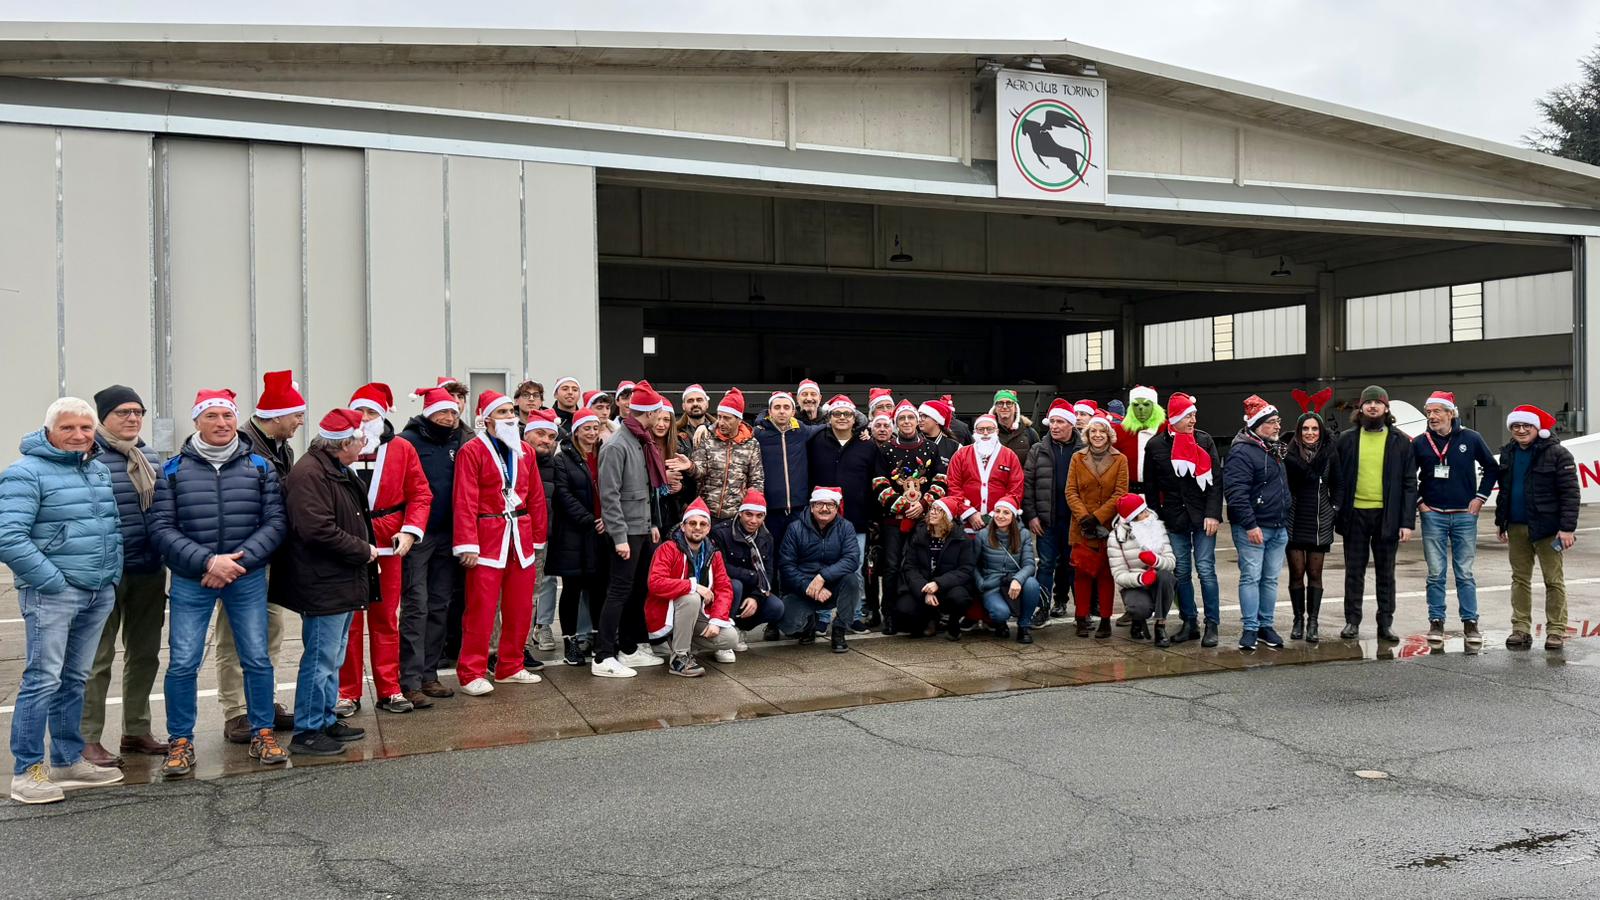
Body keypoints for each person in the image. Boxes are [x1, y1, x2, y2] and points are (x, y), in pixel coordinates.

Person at [149, 388, 288, 775]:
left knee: (257, 658)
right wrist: (209, 561)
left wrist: (236, 563)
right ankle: (180, 740)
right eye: (211, 416)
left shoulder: (259, 467)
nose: (222, 424)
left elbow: (275, 523)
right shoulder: (173, 470)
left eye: (227, 416)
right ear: (196, 422)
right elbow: (161, 528)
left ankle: (262, 731)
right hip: (194, 579)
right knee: (183, 662)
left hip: (245, 576)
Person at [1, 397, 126, 804]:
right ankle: (26, 771)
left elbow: (108, 528)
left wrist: (109, 579)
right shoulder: (25, 473)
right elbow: (9, 537)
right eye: (68, 428)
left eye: (85, 428)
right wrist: (52, 581)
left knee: (75, 678)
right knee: (43, 680)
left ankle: (69, 760)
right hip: (54, 593)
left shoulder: (97, 470)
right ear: (49, 430)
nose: (78, 436)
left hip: (98, 590)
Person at [275, 409, 379, 756]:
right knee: (320, 657)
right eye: (360, 439)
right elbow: (315, 529)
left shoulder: (332, 468)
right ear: (343, 444)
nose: (364, 443)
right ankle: (307, 730)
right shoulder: (311, 474)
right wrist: (362, 550)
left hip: (339, 579)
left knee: (332, 656)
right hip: (323, 581)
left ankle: (324, 718)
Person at [80, 386, 167, 768]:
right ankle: (87, 739)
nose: (132, 418)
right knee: (96, 660)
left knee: (145, 654)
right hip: (103, 575)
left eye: (138, 412)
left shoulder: (147, 456)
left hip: (147, 570)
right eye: (123, 412)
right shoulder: (86, 454)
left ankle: (136, 729)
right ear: (104, 417)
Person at [340, 383, 432, 717]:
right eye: (359, 411)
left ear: (382, 416)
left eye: (371, 413)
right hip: (348, 543)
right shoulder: (336, 448)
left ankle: (389, 688)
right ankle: (347, 692)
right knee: (348, 621)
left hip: (389, 541)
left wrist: (410, 531)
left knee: (385, 619)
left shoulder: (402, 449)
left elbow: (421, 493)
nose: (364, 419)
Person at [221, 369, 302, 743]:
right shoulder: (241, 447)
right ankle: (236, 711)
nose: (301, 422)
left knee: (271, 633)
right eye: (296, 415)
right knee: (235, 636)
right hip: (241, 556)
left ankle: (261, 702)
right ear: (277, 416)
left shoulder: (279, 447)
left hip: (271, 555)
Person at [451, 390, 549, 696]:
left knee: (520, 606)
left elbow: (535, 496)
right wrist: (466, 543)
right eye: (503, 411)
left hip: (520, 535)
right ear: (487, 418)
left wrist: (538, 538)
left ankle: (510, 665)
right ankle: (471, 671)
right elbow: (464, 500)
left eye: (510, 411)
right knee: (481, 609)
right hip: (487, 535)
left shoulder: (525, 451)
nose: (509, 416)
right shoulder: (472, 451)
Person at [595, 383, 673, 677]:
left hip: (640, 528)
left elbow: (646, 489)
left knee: (637, 589)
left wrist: (651, 523)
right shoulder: (618, 445)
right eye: (658, 412)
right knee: (618, 591)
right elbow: (610, 495)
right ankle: (603, 655)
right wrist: (619, 537)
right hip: (625, 532)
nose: (661, 417)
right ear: (649, 413)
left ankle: (628, 648)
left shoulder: (640, 440)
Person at [395, 387, 467, 705]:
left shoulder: (458, 441)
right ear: (428, 413)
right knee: (416, 606)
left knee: (440, 605)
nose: (449, 418)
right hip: (418, 536)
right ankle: (409, 680)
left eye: (453, 412)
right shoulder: (408, 441)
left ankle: (429, 674)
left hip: (448, 535)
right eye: (442, 412)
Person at [1331, 385, 1417, 643]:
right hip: (1354, 515)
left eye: (1377, 403)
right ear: (1360, 408)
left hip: (1386, 517)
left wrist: (1406, 522)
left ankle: (1386, 624)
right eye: (1367, 403)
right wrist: (1337, 510)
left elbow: (1409, 483)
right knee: (1353, 571)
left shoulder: (1400, 441)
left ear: (1386, 408)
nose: (1372, 407)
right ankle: (1352, 621)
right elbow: (1336, 478)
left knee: (1386, 573)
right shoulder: (1346, 440)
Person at [1413, 390, 1499, 646]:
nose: (1432, 416)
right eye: (1429, 412)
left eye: (1437, 411)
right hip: (1433, 516)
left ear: (1451, 413)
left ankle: (1470, 623)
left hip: (1464, 515)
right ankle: (1436, 622)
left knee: (1464, 572)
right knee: (1436, 573)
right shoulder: (1420, 442)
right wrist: (1420, 503)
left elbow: (1492, 468)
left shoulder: (1471, 438)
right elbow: (1406, 475)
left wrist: (1480, 497)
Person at [1140, 392, 1222, 647]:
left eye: (1194, 415)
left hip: (1202, 517)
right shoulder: (1155, 446)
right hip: (1174, 518)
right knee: (1182, 572)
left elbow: (1216, 482)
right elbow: (1151, 488)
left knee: (1206, 571)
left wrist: (1213, 514)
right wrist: (1157, 519)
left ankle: (1212, 623)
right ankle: (1190, 622)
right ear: (1174, 418)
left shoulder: (1204, 440)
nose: (1192, 420)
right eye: (1188, 416)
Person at [1495, 405, 1579, 651]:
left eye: (1526, 426)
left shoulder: (1557, 454)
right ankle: (1520, 628)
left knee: (1553, 580)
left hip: (1548, 529)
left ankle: (1555, 630)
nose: (1521, 431)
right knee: (1519, 579)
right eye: (1516, 427)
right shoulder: (1508, 453)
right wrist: (1502, 522)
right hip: (1517, 526)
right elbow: (1505, 491)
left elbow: (1570, 493)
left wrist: (1567, 529)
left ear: (1537, 428)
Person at [873, 401, 949, 634]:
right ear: (896, 423)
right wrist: (905, 506)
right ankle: (891, 615)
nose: (906, 422)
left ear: (917, 421)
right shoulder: (885, 450)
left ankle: (929, 615)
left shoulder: (930, 448)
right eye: (902, 419)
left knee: (924, 566)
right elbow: (879, 482)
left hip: (924, 519)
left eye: (910, 418)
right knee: (892, 567)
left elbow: (940, 480)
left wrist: (923, 504)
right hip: (893, 519)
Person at [1223, 396, 1292, 653]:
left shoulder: (1273, 450)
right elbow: (1236, 492)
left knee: (1270, 579)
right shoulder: (1242, 452)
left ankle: (1266, 625)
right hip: (1254, 528)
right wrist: (1251, 525)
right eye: (1272, 422)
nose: (1277, 427)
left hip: (1278, 526)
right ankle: (1250, 628)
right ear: (1257, 425)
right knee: (1251, 577)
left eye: (1278, 421)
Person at [644, 498, 741, 675]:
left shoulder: (713, 553)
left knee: (730, 638)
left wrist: (717, 621)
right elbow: (655, 583)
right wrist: (693, 586)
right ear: (683, 526)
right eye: (692, 523)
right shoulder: (668, 548)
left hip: (697, 614)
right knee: (691, 596)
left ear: (708, 528)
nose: (697, 527)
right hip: (667, 611)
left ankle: (681, 641)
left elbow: (724, 589)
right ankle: (679, 658)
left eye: (703, 524)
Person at [808, 394, 880, 630]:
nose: (841, 418)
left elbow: (875, 481)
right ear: (829, 417)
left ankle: (854, 614)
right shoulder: (817, 440)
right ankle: (823, 615)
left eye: (846, 414)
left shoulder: (867, 445)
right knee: (822, 566)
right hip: (822, 519)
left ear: (854, 418)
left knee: (855, 567)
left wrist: (872, 515)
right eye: (837, 414)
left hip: (857, 518)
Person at [549, 407, 607, 666]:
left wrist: (607, 518)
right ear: (576, 431)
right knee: (572, 589)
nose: (592, 433)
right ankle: (570, 641)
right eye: (587, 428)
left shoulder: (604, 453)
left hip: (600, 531)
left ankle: (595, 637)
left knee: (597, 588)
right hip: (573, 533)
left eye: (595, 428)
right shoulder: (563, 458)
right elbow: (562, 495)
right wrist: (589, 519)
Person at [774, 487, 864, 652]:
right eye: (820, 504)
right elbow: (786, 566)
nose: (825, 509)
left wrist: (823, 577)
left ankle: (839, 630)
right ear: (811, 506)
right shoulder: (795, 528)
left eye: (830, 505)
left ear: (837, 508)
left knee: (851, 580)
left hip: (832, 586)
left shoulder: (846, 527)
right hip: (802, 588)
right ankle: (809, 624)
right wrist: (808, 586)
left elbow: (852, 559)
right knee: (788, 626)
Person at [1067, 414, 1128, 639]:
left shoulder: (1120, 459)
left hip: (1106, 526)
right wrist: (1084, 517)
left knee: (1105, 575)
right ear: (1087, 434)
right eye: (1093, 431)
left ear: (1109, 434)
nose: (1097, 435)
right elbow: (1070, 491)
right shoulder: (1077, 458)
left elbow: (1121, 492)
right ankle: (1081, 617)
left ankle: (1105, 620)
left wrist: (1098, 517)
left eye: (1102, 431)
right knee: (1082, 574)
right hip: (1081, 526)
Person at [1283, 390, 1336, 644]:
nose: (1310, 433)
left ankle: (1313, 622)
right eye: (1305, 428)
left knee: (1315, 574)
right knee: (1296, 573)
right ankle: (1298, 620)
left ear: (1321, 431)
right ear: (1299, 430)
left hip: (1319, 520)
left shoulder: (1329, 453)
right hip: (1294, 517)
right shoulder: (1288, 454)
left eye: (1314, 428)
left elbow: (1340, 483)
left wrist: (1334, 508)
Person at [1023, 399, 1078, 623]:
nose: (1054, 426)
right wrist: (1032, 515)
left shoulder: (1082, 449)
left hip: (1075, 521)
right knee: (1045, 565)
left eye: (1060, 422)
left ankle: (1080, 611)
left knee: (1074, 565)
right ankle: (1042, 608)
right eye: (1052, 421)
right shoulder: (1038, 450)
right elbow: (1027, 485)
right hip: (1047, 521)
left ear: (1071, 425)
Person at [898, 498, 977, 641]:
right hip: (924, 586)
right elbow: (910, 567)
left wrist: (938, 584)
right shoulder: (919, 535)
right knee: (904, 613)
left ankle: (953, 623)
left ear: (947, 516)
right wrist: (925, 590)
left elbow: (966, 570)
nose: (932, 513)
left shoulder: (961, 538)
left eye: (938, 510)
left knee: (960, 599)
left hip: (948, 587)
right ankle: (930, 618)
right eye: (932, 509)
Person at [711, 489, 785, 640]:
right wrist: (752, 576)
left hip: (751, 590)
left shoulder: (766, 538)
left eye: (759, 516)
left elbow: (768, 573)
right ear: (740, 513)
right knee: (735, 585)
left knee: (777, 607)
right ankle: (725, 631)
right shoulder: (721, 532)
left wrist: (756, 597)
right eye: (748, 514)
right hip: (725, 588)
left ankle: (740, 628)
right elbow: (720, 567)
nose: (753, 520)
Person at [1106, 493, 1177, 647]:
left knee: (1167, 578)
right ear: (1131, 518)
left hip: (1158, 578)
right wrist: (1141, 579)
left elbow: (1171, 562)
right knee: (1139, 608)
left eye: (1146, 510)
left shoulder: (1157, 527)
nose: (1147, 515)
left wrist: (1156, 560)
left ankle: (1160, 626)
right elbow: (1118, 575)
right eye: (1142, 513)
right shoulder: (1116, 537)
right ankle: (1137, 620)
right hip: (1135, 583)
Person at [756, 390, 825, 546]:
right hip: (770, 509)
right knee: (771, 552)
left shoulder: (801, 430)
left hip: (798, 508)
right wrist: (705, 427)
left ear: (793, 411)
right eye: (777, 407)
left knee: (797, 552)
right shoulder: (759, 433)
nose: (782, 411)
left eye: (786, 407)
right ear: (770, 411)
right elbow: (731, 427)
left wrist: (862, 430)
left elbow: (830, 426)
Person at [691, 388, 764, 522]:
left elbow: (756, 481)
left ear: (739, 420)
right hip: (706, 514)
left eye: (727, 418)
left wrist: (751, 511)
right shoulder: (707, 438)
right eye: (719, 417)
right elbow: (698, 474)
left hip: (736, 516)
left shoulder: (751, 444)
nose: (721, 422)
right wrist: (690, 466)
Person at [943, 413, 1024, 533]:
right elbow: (953, 486)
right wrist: (969, 513)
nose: (985, 433)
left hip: (1000, 524)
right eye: (981, 429)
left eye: (989, 429)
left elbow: (1016, 489)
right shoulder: (961, 455)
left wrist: (996, 514)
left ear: (996, 431)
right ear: (974, 432)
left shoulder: (1009, 455)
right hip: (966, 525)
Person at [525, 408, 563, 657]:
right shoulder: (514, 458)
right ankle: (496, 650)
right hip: (514, 537)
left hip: (542, 539)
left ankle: (523, 645)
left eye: (551, 436)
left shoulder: (555, 464)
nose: (546, 441)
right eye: (540, 434)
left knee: (531, 595)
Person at [975, 498, 1040, 643]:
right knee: (1000, 613)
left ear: (1014, 516)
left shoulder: (1023, 534)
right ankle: (1000, 623)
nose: (1000, 516)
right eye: (997, 511)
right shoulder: (983, 535)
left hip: (1013, 581)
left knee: (1032, 584)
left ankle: (1024, 626)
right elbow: (973, 564)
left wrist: (1018, 579)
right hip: (992, 584)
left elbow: (1029, 564)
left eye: (1006, 512)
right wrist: (981, 584)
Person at [992, 389, 1039, 458]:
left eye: (1009, 403)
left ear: (1016, 408)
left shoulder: (1030, 433)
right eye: (1000, 403)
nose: (1004, 407)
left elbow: (1039, 460)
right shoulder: (986, 433)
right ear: (995, 408)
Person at [917, 398, 962, 469]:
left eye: (925, 416)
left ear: (937, 420)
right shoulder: (914, 442)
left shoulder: (955, 447)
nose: (920, 420)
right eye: (919, 416)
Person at [675, 384, 712, 450]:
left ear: (707, 404)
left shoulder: (719, 429)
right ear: (683, 406)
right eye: (690, 401)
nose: (695, 404)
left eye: (699, 400)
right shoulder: (674, 431)